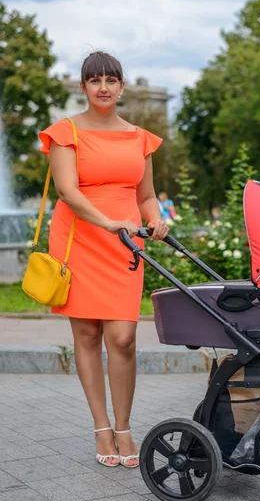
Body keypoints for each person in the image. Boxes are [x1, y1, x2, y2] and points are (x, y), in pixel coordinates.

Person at [38, 51, 169, 469]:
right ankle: (101, 426)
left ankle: (125, 425)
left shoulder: (139, 138)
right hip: (81, 240)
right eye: (95, 81)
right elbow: (68, 192)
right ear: (83, 87)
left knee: (123, 339)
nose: (104, 88)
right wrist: (110, 222)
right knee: (89, 336)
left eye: (111, 80)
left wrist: (157, 220)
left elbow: (146, 195)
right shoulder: (66, 132)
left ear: (122, 86)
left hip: (126, 244)